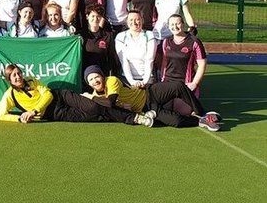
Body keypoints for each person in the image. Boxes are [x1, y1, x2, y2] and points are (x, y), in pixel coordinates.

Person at [0, 64, 153, 126]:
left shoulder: (32, 80)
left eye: (18, 73)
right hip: (56, 114)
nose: (18, 77)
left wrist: (34, 111)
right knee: (96, 116)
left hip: (61, 96)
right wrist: (19, 117)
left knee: (94, 106)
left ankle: (136, 118)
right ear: (9, 79)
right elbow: (0, 114)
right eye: (13, 76)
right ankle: (135, 115)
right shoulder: (10, 95)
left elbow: (48, 95)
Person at [83, 65, 220, 131]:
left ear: (102, 76)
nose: (95, 80)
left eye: (96, 76)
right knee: (176, 121)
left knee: (178, 86)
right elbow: (110, 108)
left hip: (150, 93)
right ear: (89, 83)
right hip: (148, 109)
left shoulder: (111, 80)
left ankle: (203, 113)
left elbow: (111, 102)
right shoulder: (96, 96)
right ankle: (201, 121)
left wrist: (91, 98)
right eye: (91, 79)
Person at [161, 14, 207, 96]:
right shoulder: (166, 41)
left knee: (184, 108)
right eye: (172, 24)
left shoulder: (194, 42)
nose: (175, 27)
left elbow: (202, 64)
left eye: (177, 23)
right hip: (168, 82)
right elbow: (164, 62)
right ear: (168, 26)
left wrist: (194, 83)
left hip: (185, 83)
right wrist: (163, 79)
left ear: (183, 24)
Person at [115, 10, 156, 88]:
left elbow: (149, 59)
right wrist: (132, 82)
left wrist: (144, 81)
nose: (134, 22)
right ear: (127, 21)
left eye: (137, 19)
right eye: (131, 19)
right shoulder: (120, 37)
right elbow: (124, 61)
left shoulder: (149, 35)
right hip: (126, 79)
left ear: (142, 20)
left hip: (147, 78)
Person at [80, 3, 116, 82]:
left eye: (98, 16)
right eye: (93, 16)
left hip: (102, 74)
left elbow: (111, 57)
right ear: (87, 17)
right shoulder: (81, 36)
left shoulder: (108, 36)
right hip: (85, 75)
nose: (95, 19)